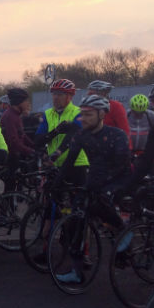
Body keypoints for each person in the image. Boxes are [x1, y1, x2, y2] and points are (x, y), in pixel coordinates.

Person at [53, 95, 131, 283]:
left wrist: (103, 186)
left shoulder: (117, 135)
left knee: (101, 203)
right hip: (95, 179)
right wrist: (56, 184)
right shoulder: (81, 135)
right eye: (82, 114)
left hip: (118, 180)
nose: (84, 118)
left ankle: (123, 230)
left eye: (89, 114)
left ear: (102, 114)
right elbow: (69, 162)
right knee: (76, 219)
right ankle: (77, 272)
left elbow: (121, 165)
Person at [34, 79, 88, 185]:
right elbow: (38, 140)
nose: (55, 97)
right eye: (54, 94)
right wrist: (56, 131)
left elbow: (74, 136)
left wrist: (58, 152)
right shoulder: (47, 114)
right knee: (52, 193)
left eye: (60, 94)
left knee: (78, 195)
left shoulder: (78, 112)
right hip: (54, 165)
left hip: (76, 164)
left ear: (70, 96)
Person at [0, 88, 35, 192]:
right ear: (18, 102)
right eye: (26, 101)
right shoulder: (10, 116)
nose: (28, 103)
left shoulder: (16, 115)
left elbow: (22, 135)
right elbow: (13, 141)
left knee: (17, 184)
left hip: (15, 155)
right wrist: (30, 151)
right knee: (10, 188)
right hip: (10, 156)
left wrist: (35, 146)